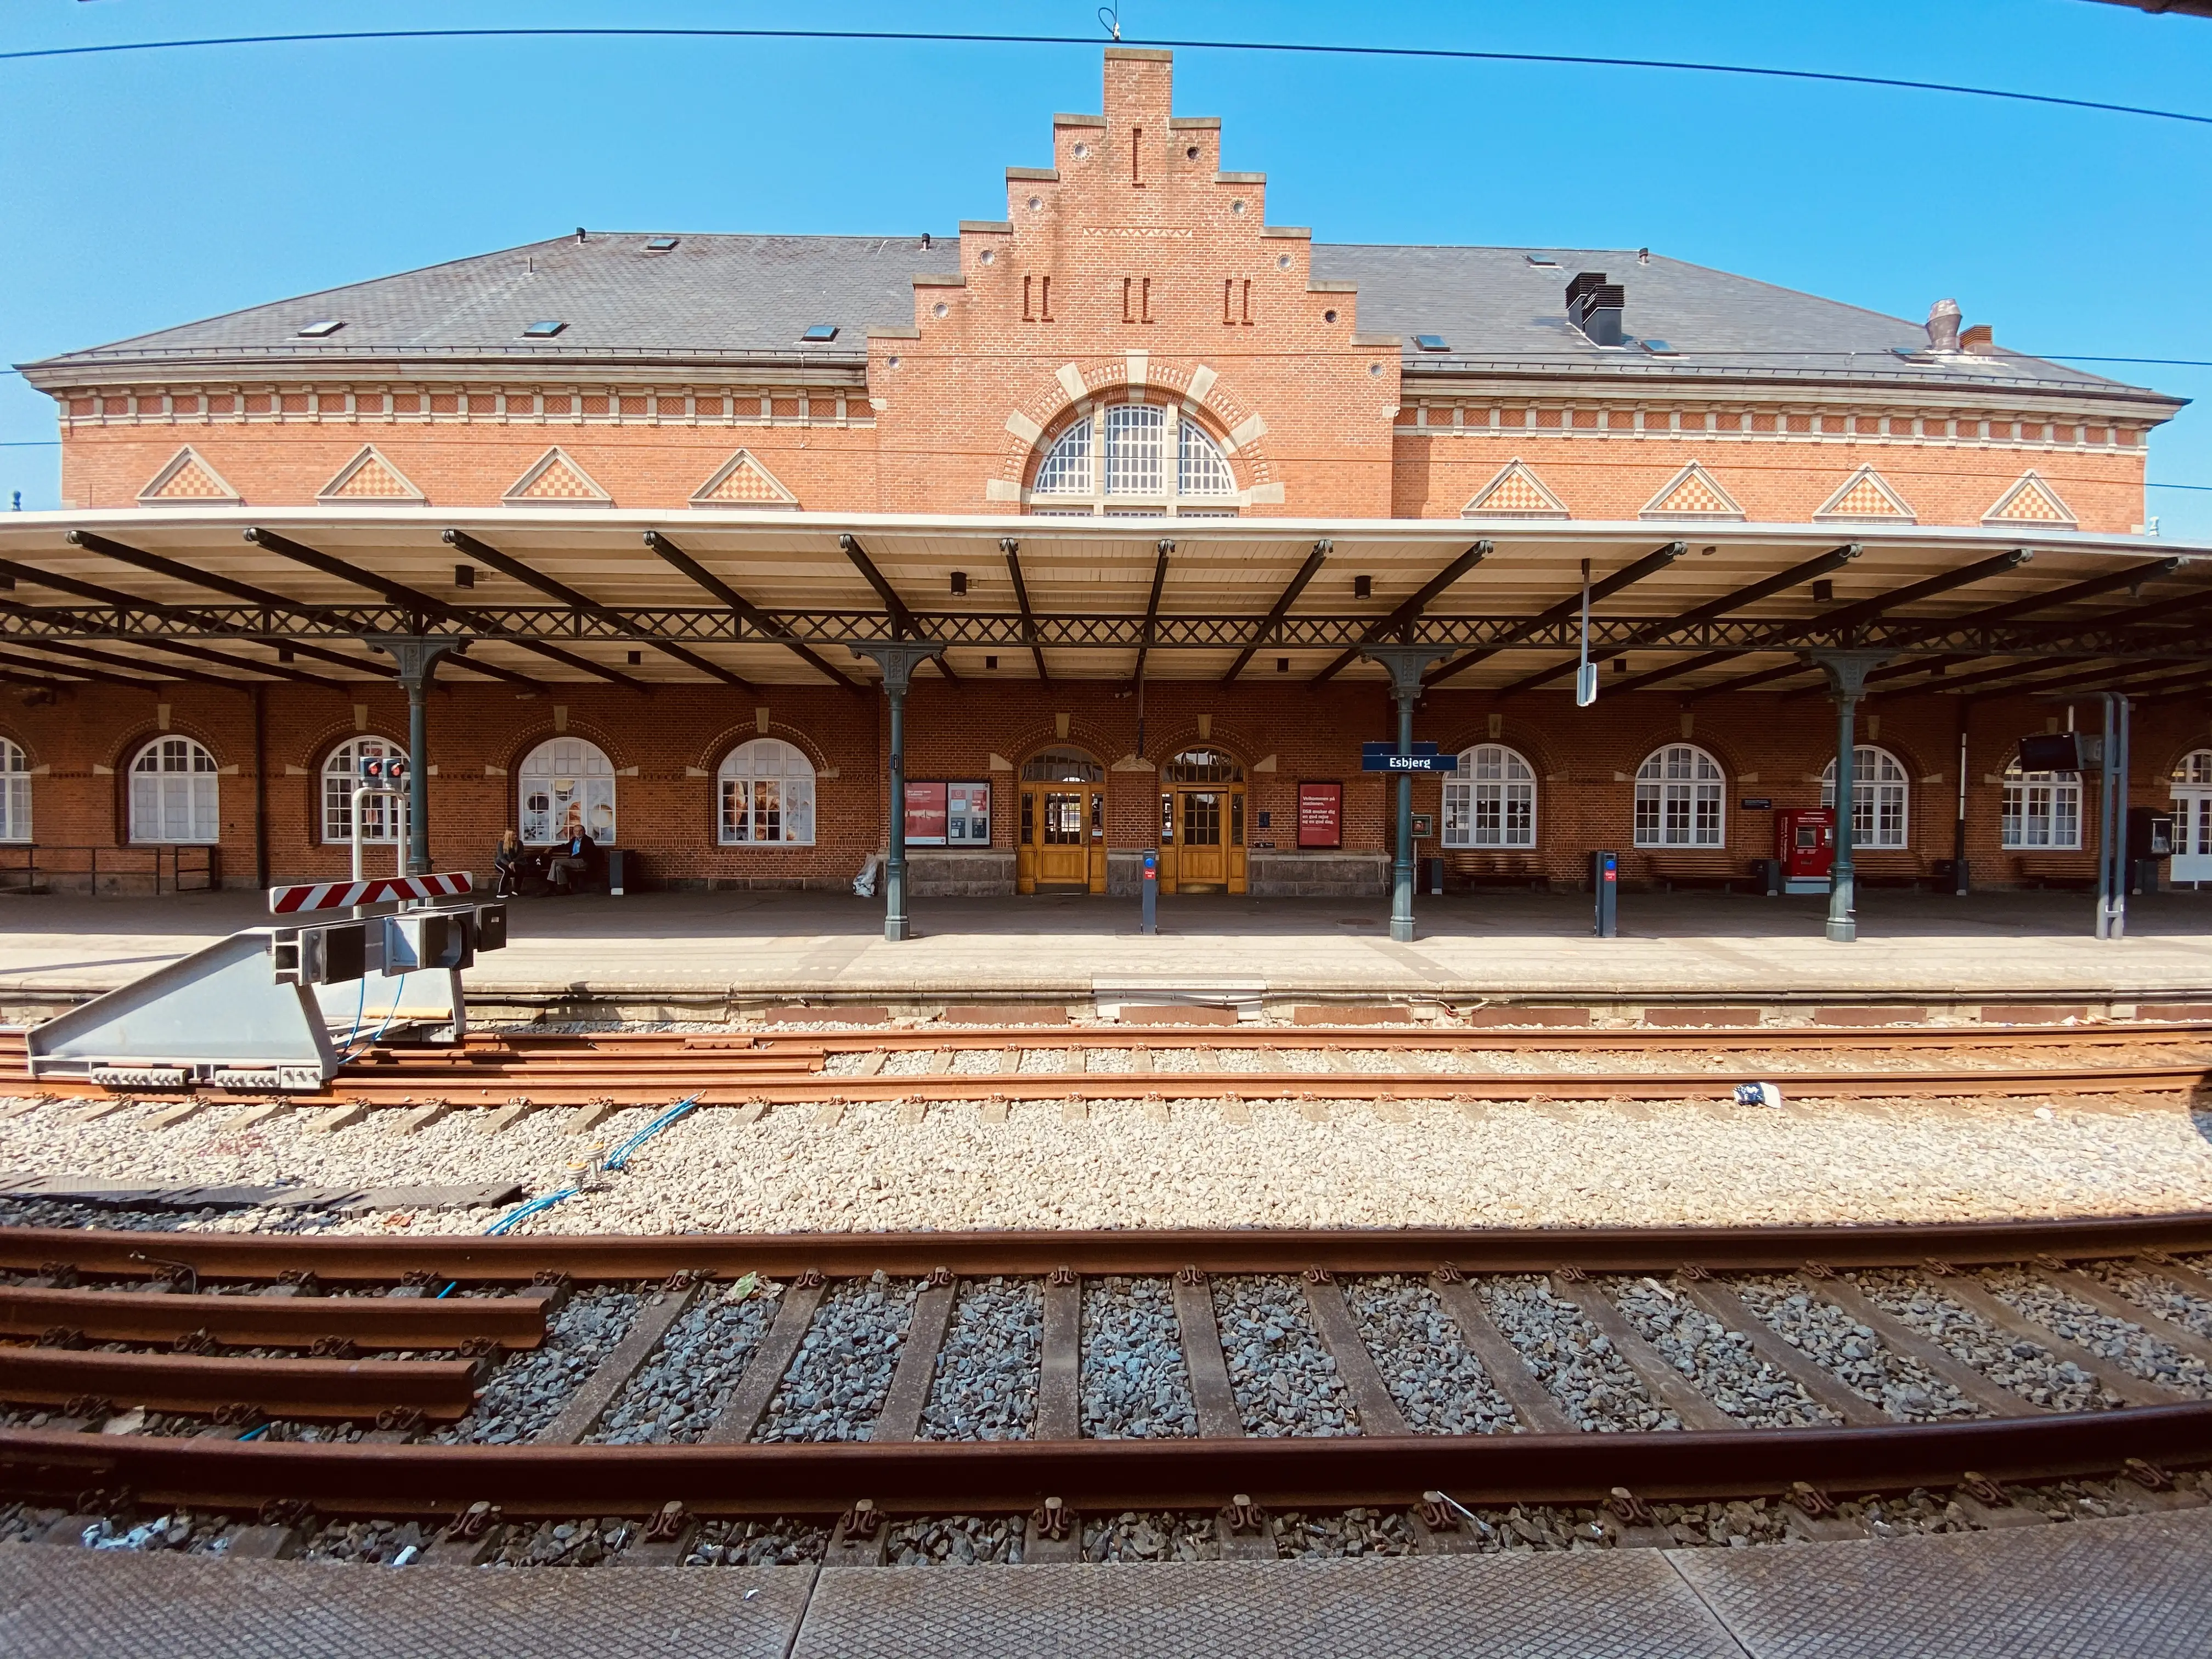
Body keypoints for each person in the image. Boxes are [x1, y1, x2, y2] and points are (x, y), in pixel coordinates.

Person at [545, 827, 603, 894]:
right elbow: (565, 846)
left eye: (580, 831)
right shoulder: (574, 840)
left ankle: (551, 887)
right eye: (576, 831)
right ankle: (566, 889)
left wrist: (575, 857)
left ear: (584, 832)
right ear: (574, 832)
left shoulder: (588, 840)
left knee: (555, 862)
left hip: (582, 862)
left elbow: (589, 853)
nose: (578, 833)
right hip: (573, 861)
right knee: (559, 868)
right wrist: (551, 848)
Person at [492, 828, 526, 898]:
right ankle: (500, 893)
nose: (516, 836)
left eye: (516, 835)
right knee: (506, 872)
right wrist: (509, 864)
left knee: (520, 870)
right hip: (501, 862)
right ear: (509, 836)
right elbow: (501, 858)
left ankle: (517, 891)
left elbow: (521, 854)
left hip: (514, 862)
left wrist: (513, 862)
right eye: (513, 835)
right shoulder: (501, 843)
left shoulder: (519, 843)